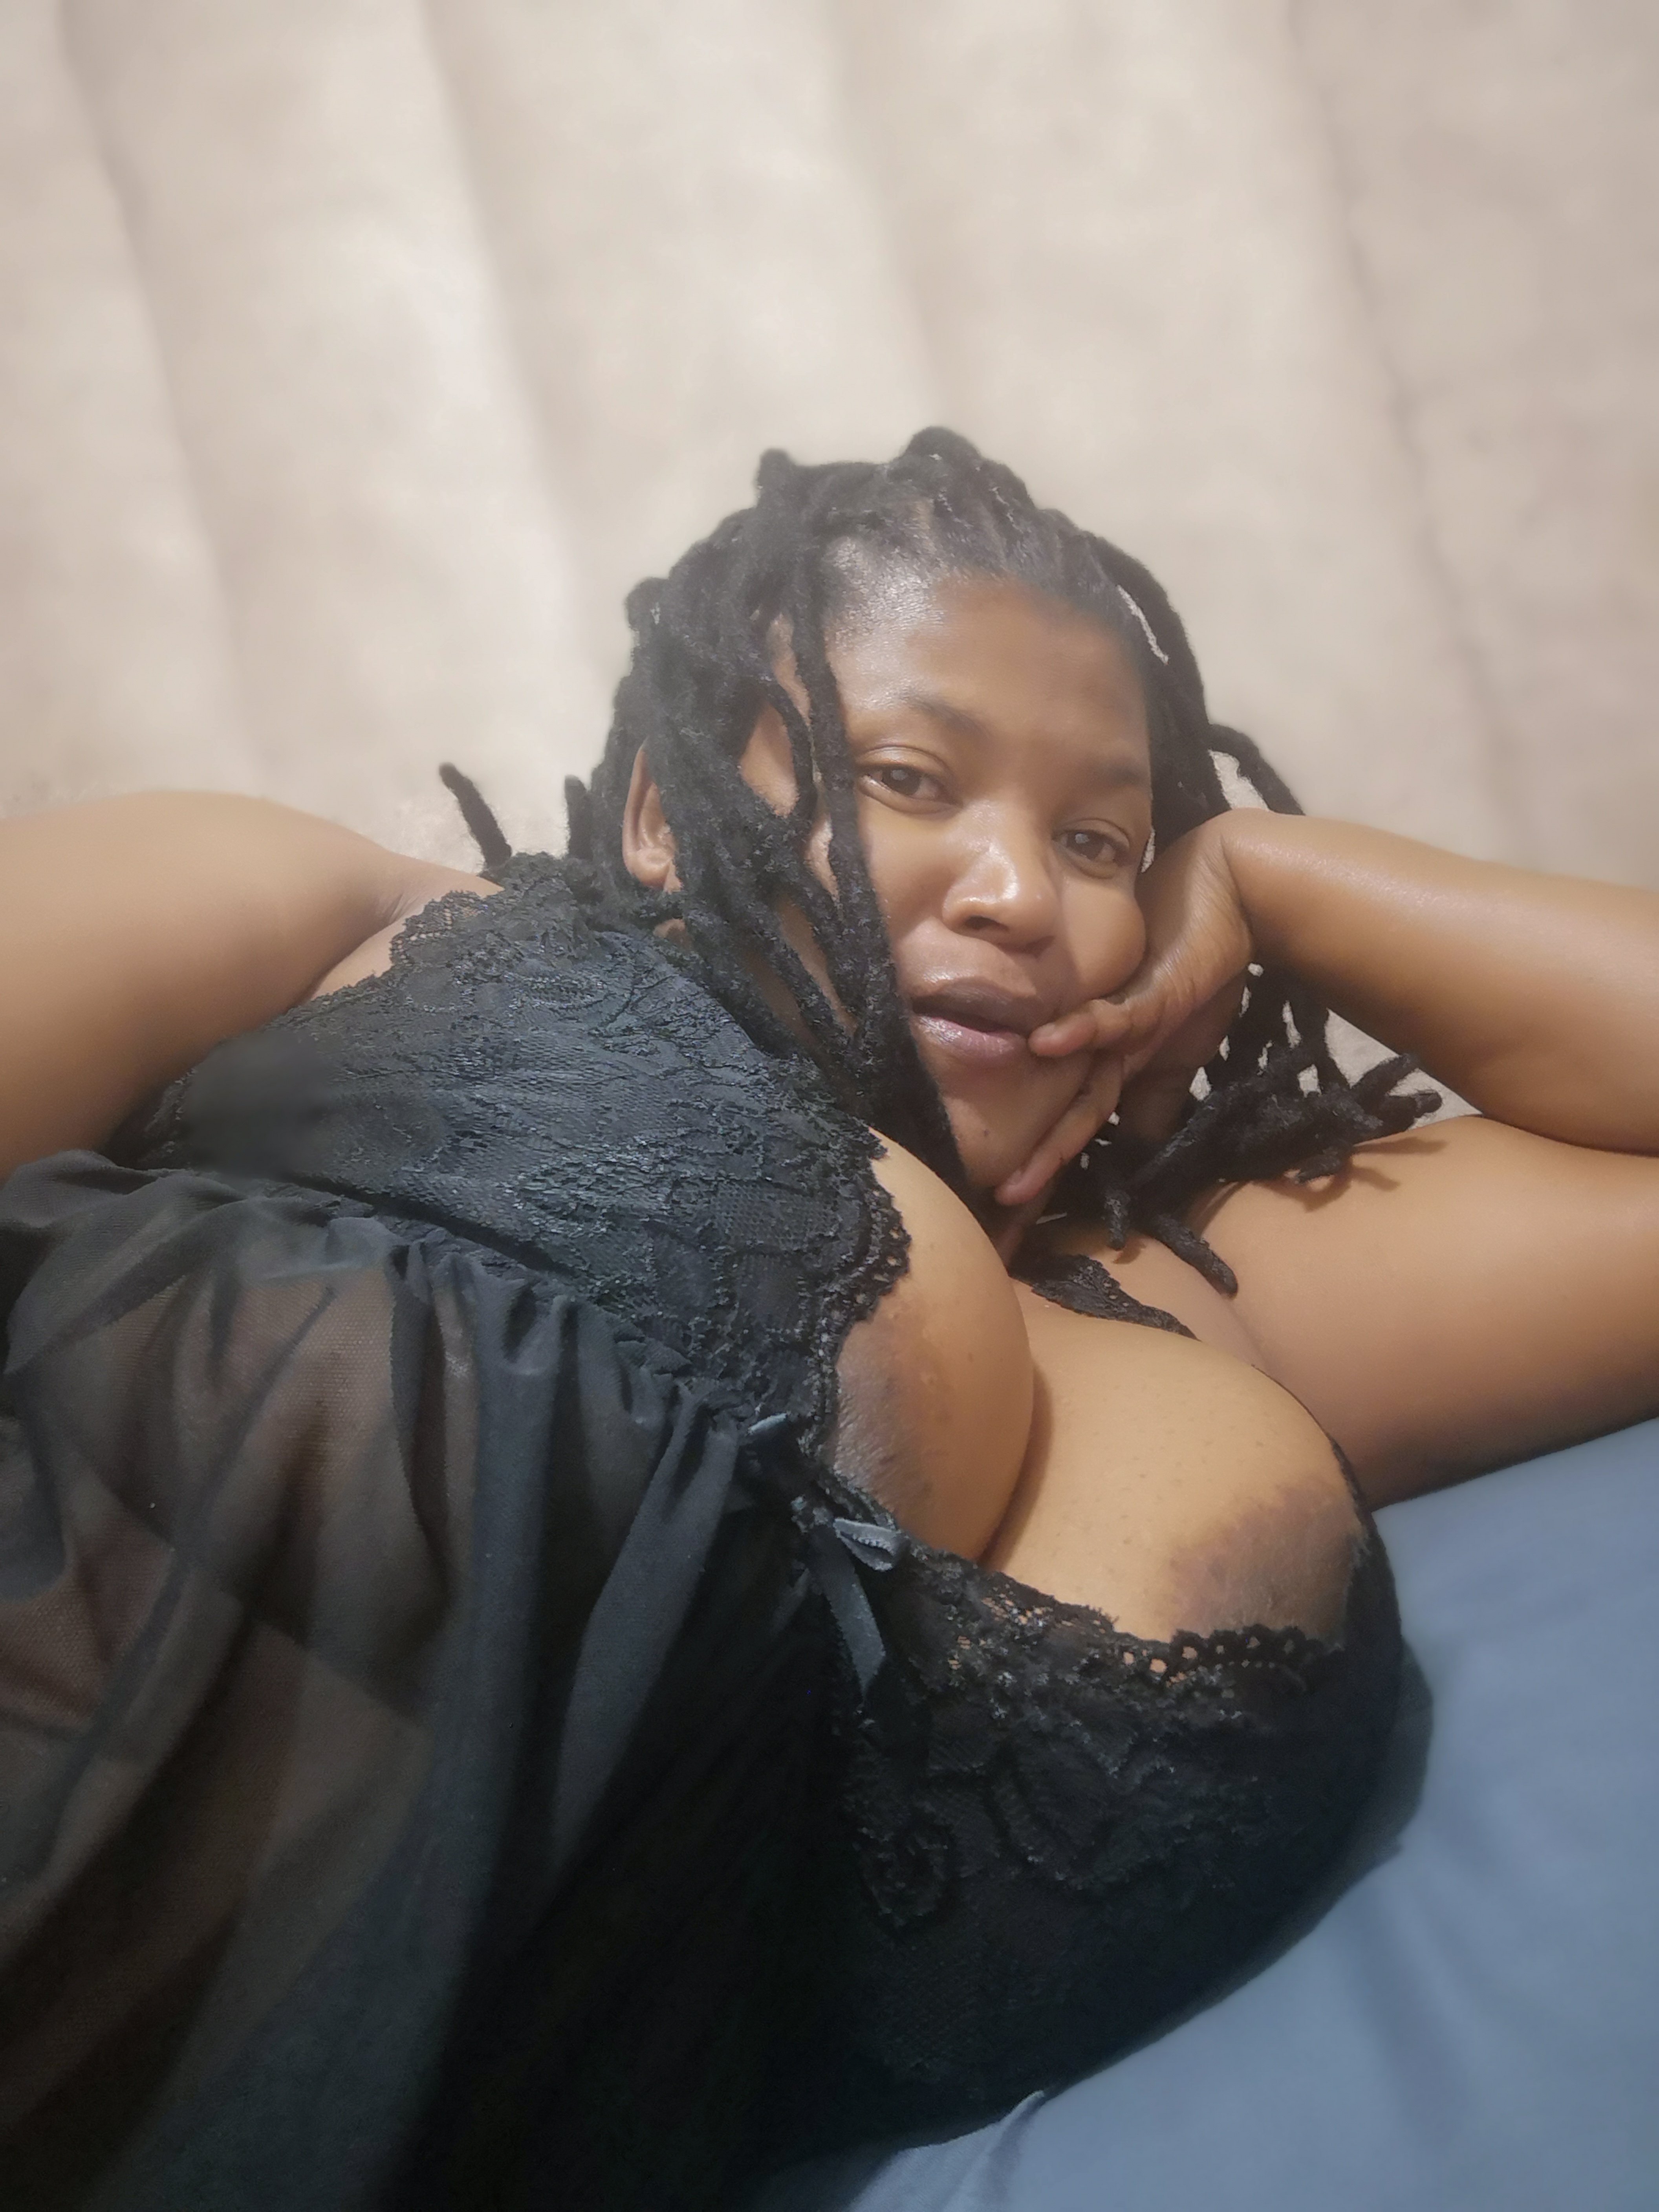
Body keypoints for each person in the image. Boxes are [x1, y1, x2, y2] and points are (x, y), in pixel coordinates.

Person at [1, 431, 1654, 2211]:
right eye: (911, 777)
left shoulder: (1206, 1290)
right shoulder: (360, 929)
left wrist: (1269, 877)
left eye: (1099, 837)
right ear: (664, 812)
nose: (1022, 892)